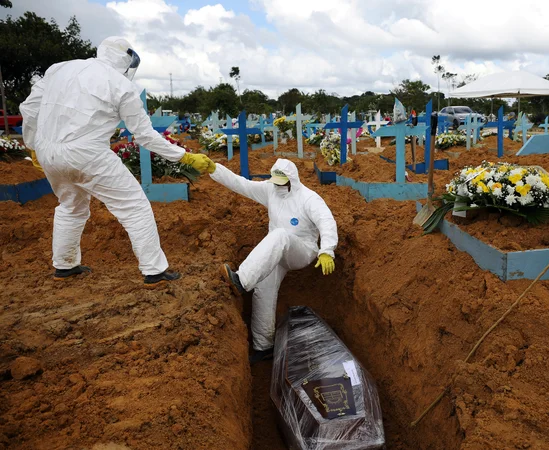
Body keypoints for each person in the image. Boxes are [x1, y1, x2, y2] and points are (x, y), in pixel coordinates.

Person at [19, 36, 215, 285]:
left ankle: (65, 265)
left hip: (49, 153)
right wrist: (183, 156)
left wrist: (34, 146)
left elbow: (29, 108)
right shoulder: (121, 85)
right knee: (134, 207)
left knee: (70, 206)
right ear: (126, 59)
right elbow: (144, 135)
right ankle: (154, 270)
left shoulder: (59, 69)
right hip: (89, 153)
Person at [214, 159, 338, 363]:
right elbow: (241, 184)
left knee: (280, 235)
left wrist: (327, 250)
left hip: (301, 250)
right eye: (276, 181)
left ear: (292, 180)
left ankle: (242, 280)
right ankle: (264, 347)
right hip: (275, 252)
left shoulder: (309, 199)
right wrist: (214, 169)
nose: (278, 186)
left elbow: (327, 221)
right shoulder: (270, 190)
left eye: (282, 182)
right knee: (263, 291)